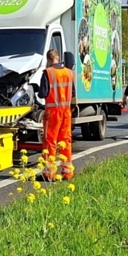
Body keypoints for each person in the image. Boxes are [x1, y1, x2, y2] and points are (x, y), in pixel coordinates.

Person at [36, 49, 74, 179]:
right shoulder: (69, 73)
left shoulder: (48, 73)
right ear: (58, 58)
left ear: (48, 60)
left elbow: (43, 93)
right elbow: (72, 92)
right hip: (66, 111)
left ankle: (49, 173)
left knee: (50, 141)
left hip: (53, 112)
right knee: (66, 140)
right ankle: (67, 172)